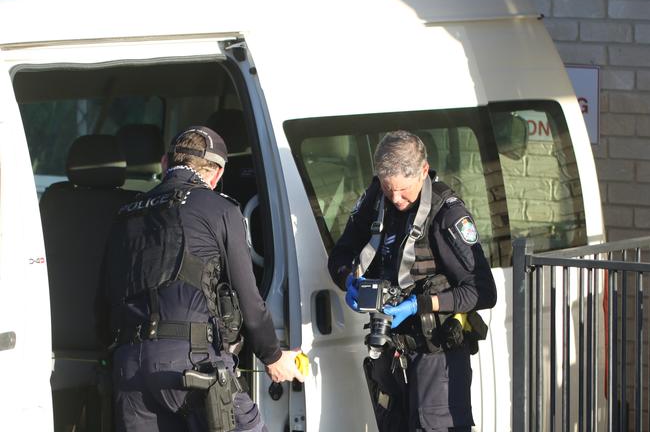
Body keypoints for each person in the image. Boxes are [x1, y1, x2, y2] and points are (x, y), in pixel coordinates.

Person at [96, 126, 304, 432]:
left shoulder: (125, 214)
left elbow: (101, 304)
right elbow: (247, 294)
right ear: (217, 173)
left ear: (166, 164)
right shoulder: (219, 209)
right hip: (192, 366)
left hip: (129, 371)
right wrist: (272, 355)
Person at [328, 130, 497, 432]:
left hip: (436, 354)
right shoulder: (377, 198)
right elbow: (340, 254)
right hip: (392, 353)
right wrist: (348, 281)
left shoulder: (447, 214)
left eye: (403, 190)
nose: (396, 198)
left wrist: (419, 304)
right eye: (387, 187)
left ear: (422, 170)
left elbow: (483, 291)